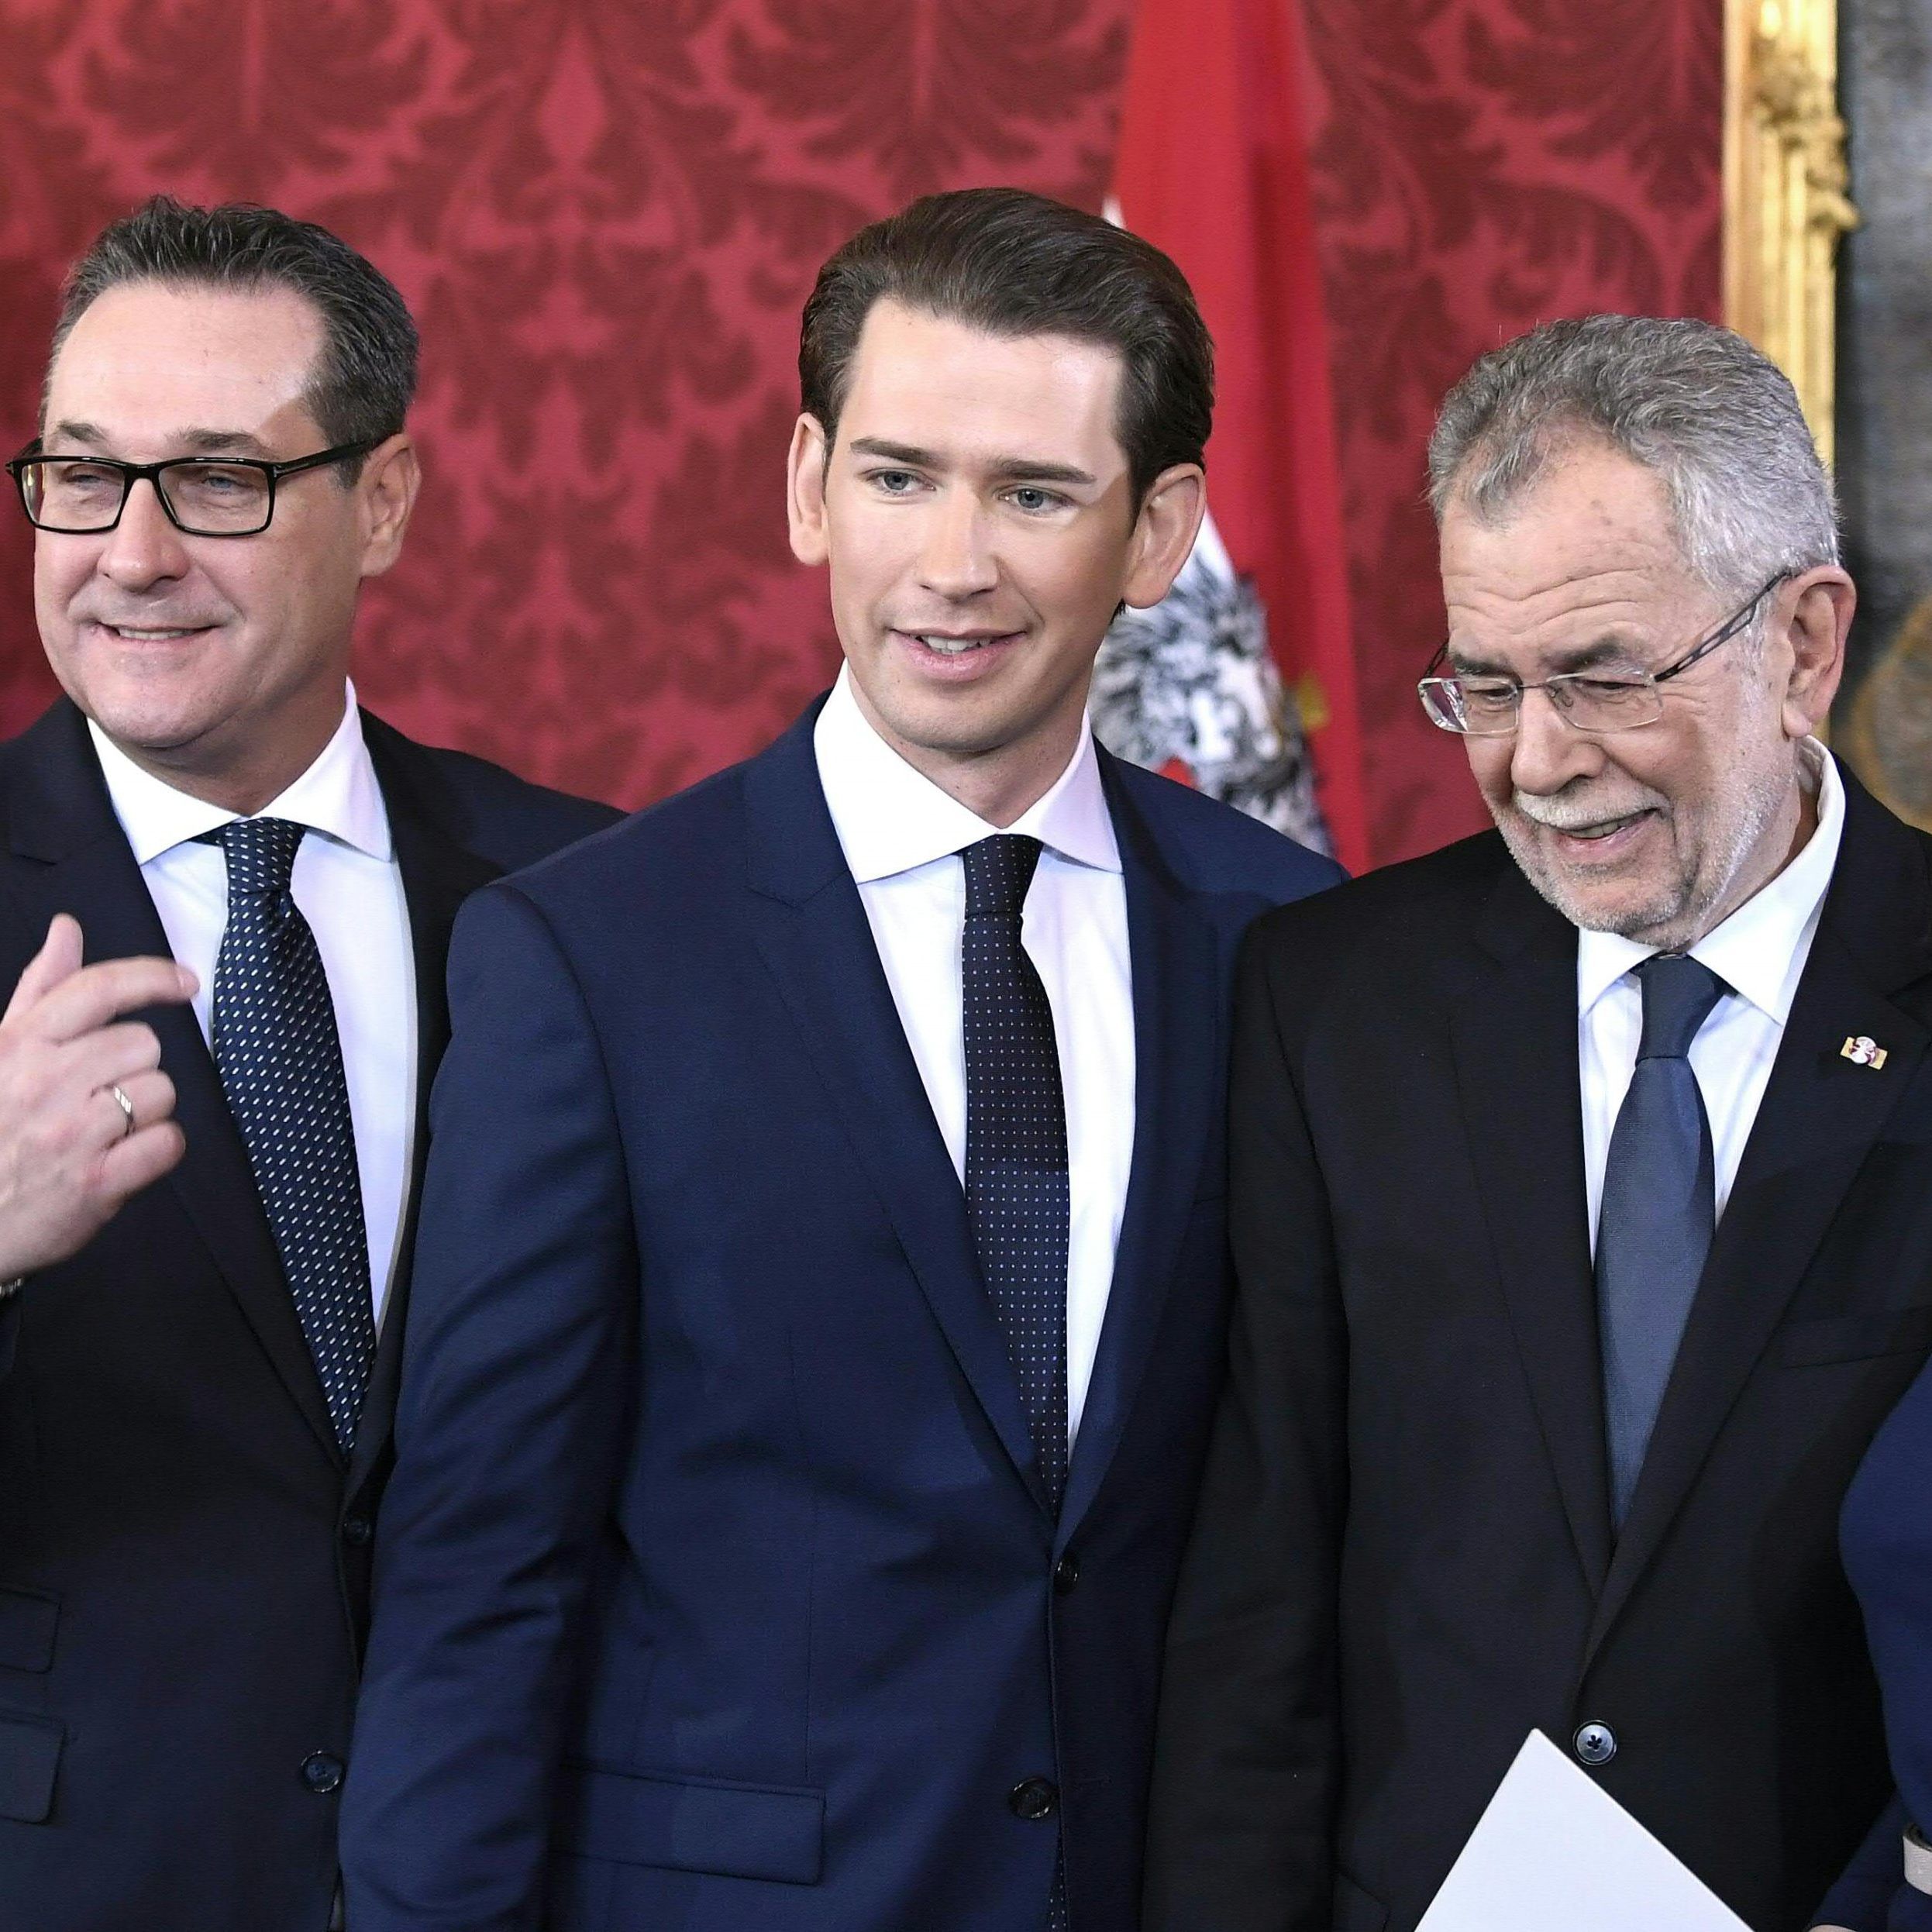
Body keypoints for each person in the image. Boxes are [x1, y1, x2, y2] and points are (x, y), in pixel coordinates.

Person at [340, 186, 1342, 1932]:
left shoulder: (1290, 944)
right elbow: (479, 1576)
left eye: (1033, 493)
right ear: (807, 484)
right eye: (896, 476)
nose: (952, 562)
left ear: (1159, 531)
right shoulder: (590, 958)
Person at [1142, 314, 1932, 1932]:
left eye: (1602, 675)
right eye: (1483, 686)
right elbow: (1258, 1597)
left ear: (1800, 643)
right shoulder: (1330, 998)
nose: (1538, 761)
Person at [0, 196, 616, 1931]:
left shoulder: (591, 901)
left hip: (514, 1871)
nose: (128, 550)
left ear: (387, 502)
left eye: (215, 479)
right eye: (79, 471)